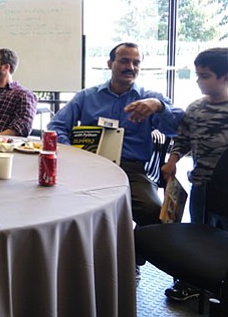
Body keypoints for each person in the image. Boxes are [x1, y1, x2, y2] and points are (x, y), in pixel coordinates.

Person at [47, 42, 184, 228]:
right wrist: (73, 152)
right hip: (87, 165)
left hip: (130, 170)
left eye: (136, 63)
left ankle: (132, 256)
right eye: (124, 61)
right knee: (56, 202)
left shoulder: (149, 98)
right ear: (110, 64)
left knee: (152, 210)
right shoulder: (87, 96)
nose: (131, 67)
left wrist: (159, 107)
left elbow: (178, 128)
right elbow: (56, 126)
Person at [159, 47, 228, 301]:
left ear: (225, 76)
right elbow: (183, 138)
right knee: (198, 234)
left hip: (226, 188)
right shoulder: (196, 107)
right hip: (201, 185)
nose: (199, 81)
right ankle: (192, 283)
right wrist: (173, 159)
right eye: (197, 75)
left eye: (205, 76)